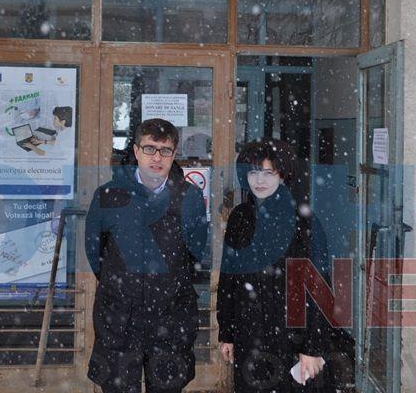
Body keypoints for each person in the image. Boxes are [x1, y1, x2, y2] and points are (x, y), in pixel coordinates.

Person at [85, 118, 208, 393]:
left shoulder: (189, 197)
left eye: (165, 150)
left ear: (174, 154)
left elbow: (197, 253)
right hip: (120, 315)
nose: (157, 157)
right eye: (150, 148)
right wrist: (124, 284)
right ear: (136, 150)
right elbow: (95, 253)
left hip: (170, 316)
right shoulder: (108, 196)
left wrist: (167, 286)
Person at [217, 139, 330, 392]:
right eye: (253, 172)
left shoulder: (304, 222)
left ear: (283, 175)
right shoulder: (240, 218)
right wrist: (227, 332)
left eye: (268, 173)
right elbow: (228, 281)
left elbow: (319, 289)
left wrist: (312, 347)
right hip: (248, 333)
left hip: (290, 338)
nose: (260, 180)